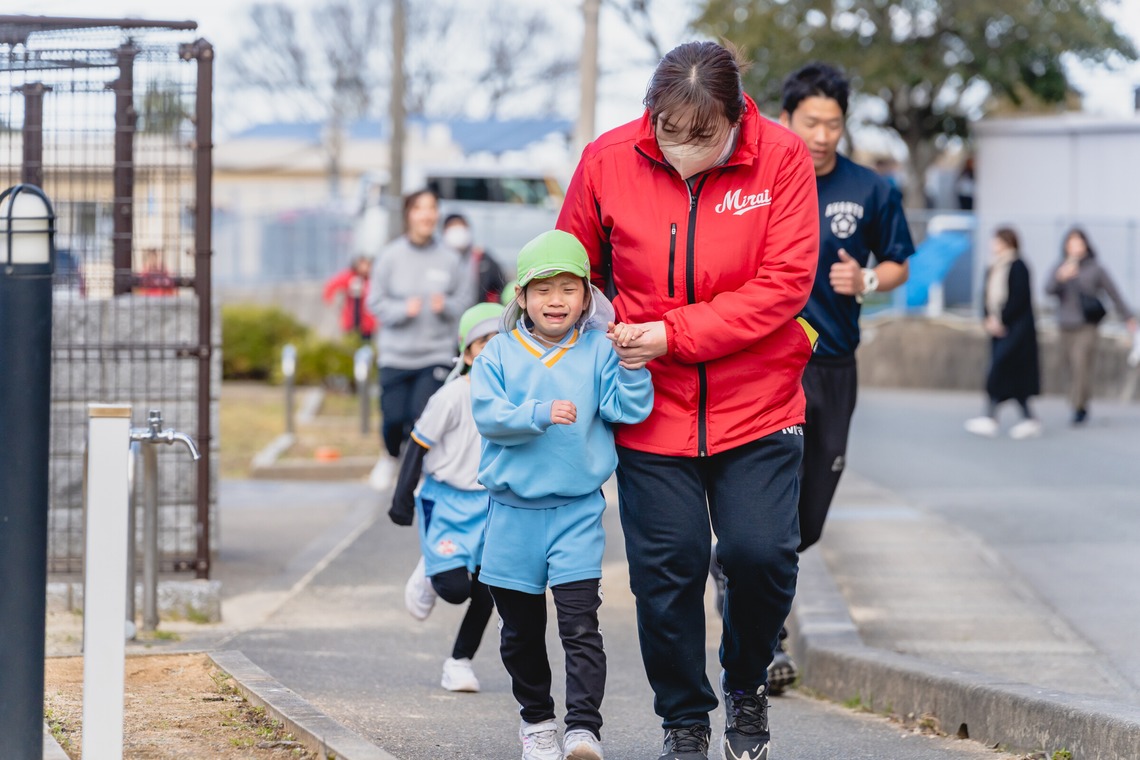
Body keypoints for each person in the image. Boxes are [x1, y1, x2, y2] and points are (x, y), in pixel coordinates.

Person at [557, 41, 819, 760]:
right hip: (649, 404)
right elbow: (567, 267)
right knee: (666, 570)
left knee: (760, 554)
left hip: (761, 401)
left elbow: (784, 285)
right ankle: (684, 720)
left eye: (703, 136)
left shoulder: (783, 159)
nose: (682, 150)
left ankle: (745, 682)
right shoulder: (608, 160)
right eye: (669, 131)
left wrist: (671, 334)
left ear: (738, 119)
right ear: (652, 115)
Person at [736, 61, 915, 693]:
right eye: (810, 121)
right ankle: (766, 642)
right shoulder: (761, 183)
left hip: (835, 367)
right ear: (785, 120)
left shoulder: (872, 189)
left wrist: (866, 280)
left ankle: (729, 566)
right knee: (772, 510)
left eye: (832, 123)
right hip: (768, 363)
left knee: (808, 521)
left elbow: (898, 263)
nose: (820, 134)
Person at [471, 230, 654, 760]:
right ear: (521, 298)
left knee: (580, 624)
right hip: (511, 515)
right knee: (520, 633)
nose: (556, 300)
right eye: (543, 289)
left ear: (588, 297)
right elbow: (488, 415)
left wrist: (634, 366)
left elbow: (626, 410)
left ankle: (583, 730)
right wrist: (538, 414)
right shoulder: (499, 354)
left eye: (569, 289)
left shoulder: (599, 350)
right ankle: (538, 724)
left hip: (577, 511)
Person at [389, 302, 503, 693]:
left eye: (500, 340)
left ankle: (459, 662)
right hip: (447, 500)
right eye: (482, 341)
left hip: (490, 503)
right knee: (455, 590)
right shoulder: (453, 395)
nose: (491, 348)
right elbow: (418, 444)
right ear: (467, 351)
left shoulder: (513, 394)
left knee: (492, 587)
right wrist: (401, 499)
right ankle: (431, 569)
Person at [366, 189, 474, 489]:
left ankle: (418, 473)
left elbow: (465, 300)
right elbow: (374, 301)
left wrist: (447, 307)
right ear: (408, 214)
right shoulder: (390, 256)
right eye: (419, 208)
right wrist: (403, 309)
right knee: (393, 418)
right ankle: (389, 456)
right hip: (396, 355)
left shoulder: (451, 259)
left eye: (432, 208)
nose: (427, 214)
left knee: (422, 415)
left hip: (435, 354)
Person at [1046, 227, 1137, 424]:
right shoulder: (1060, 267)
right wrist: (1061, 277)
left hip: (1087, 325)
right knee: (1068, 366)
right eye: (1071, 243)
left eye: (1078, 243)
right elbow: (1048, 289)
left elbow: (1113, 293)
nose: (1075, 247)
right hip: (1065, 324)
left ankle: (1079, 406)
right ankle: (1076, 400)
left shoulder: (1095, 268)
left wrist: (1128, 317)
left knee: (1081, 365)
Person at [964, 228, 1042, 439]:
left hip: (1016, 329)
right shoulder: (992, 266)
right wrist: (988, 318)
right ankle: (1015, 417)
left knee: (1000, 369)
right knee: (1010, 375)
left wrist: (1002, 320)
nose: (994, 244)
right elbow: (986, 295)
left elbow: (1019, 298)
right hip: (997, 327)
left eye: (997, 241)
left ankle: (992, 417)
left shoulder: (1018, 266)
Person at [442, 213, 508, 304]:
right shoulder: (437, 261)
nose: (457, 232)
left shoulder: (483, 259)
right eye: (452, 227)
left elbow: (502, 284)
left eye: (460, 226)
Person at [322, 254, 377, 340]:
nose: (365, 267)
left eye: (368, 265)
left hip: (367, 324)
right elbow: (332, 286)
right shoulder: (350, 277)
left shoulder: (372, 280)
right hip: (350, 322)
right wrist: (330, 300)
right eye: (363, 264)